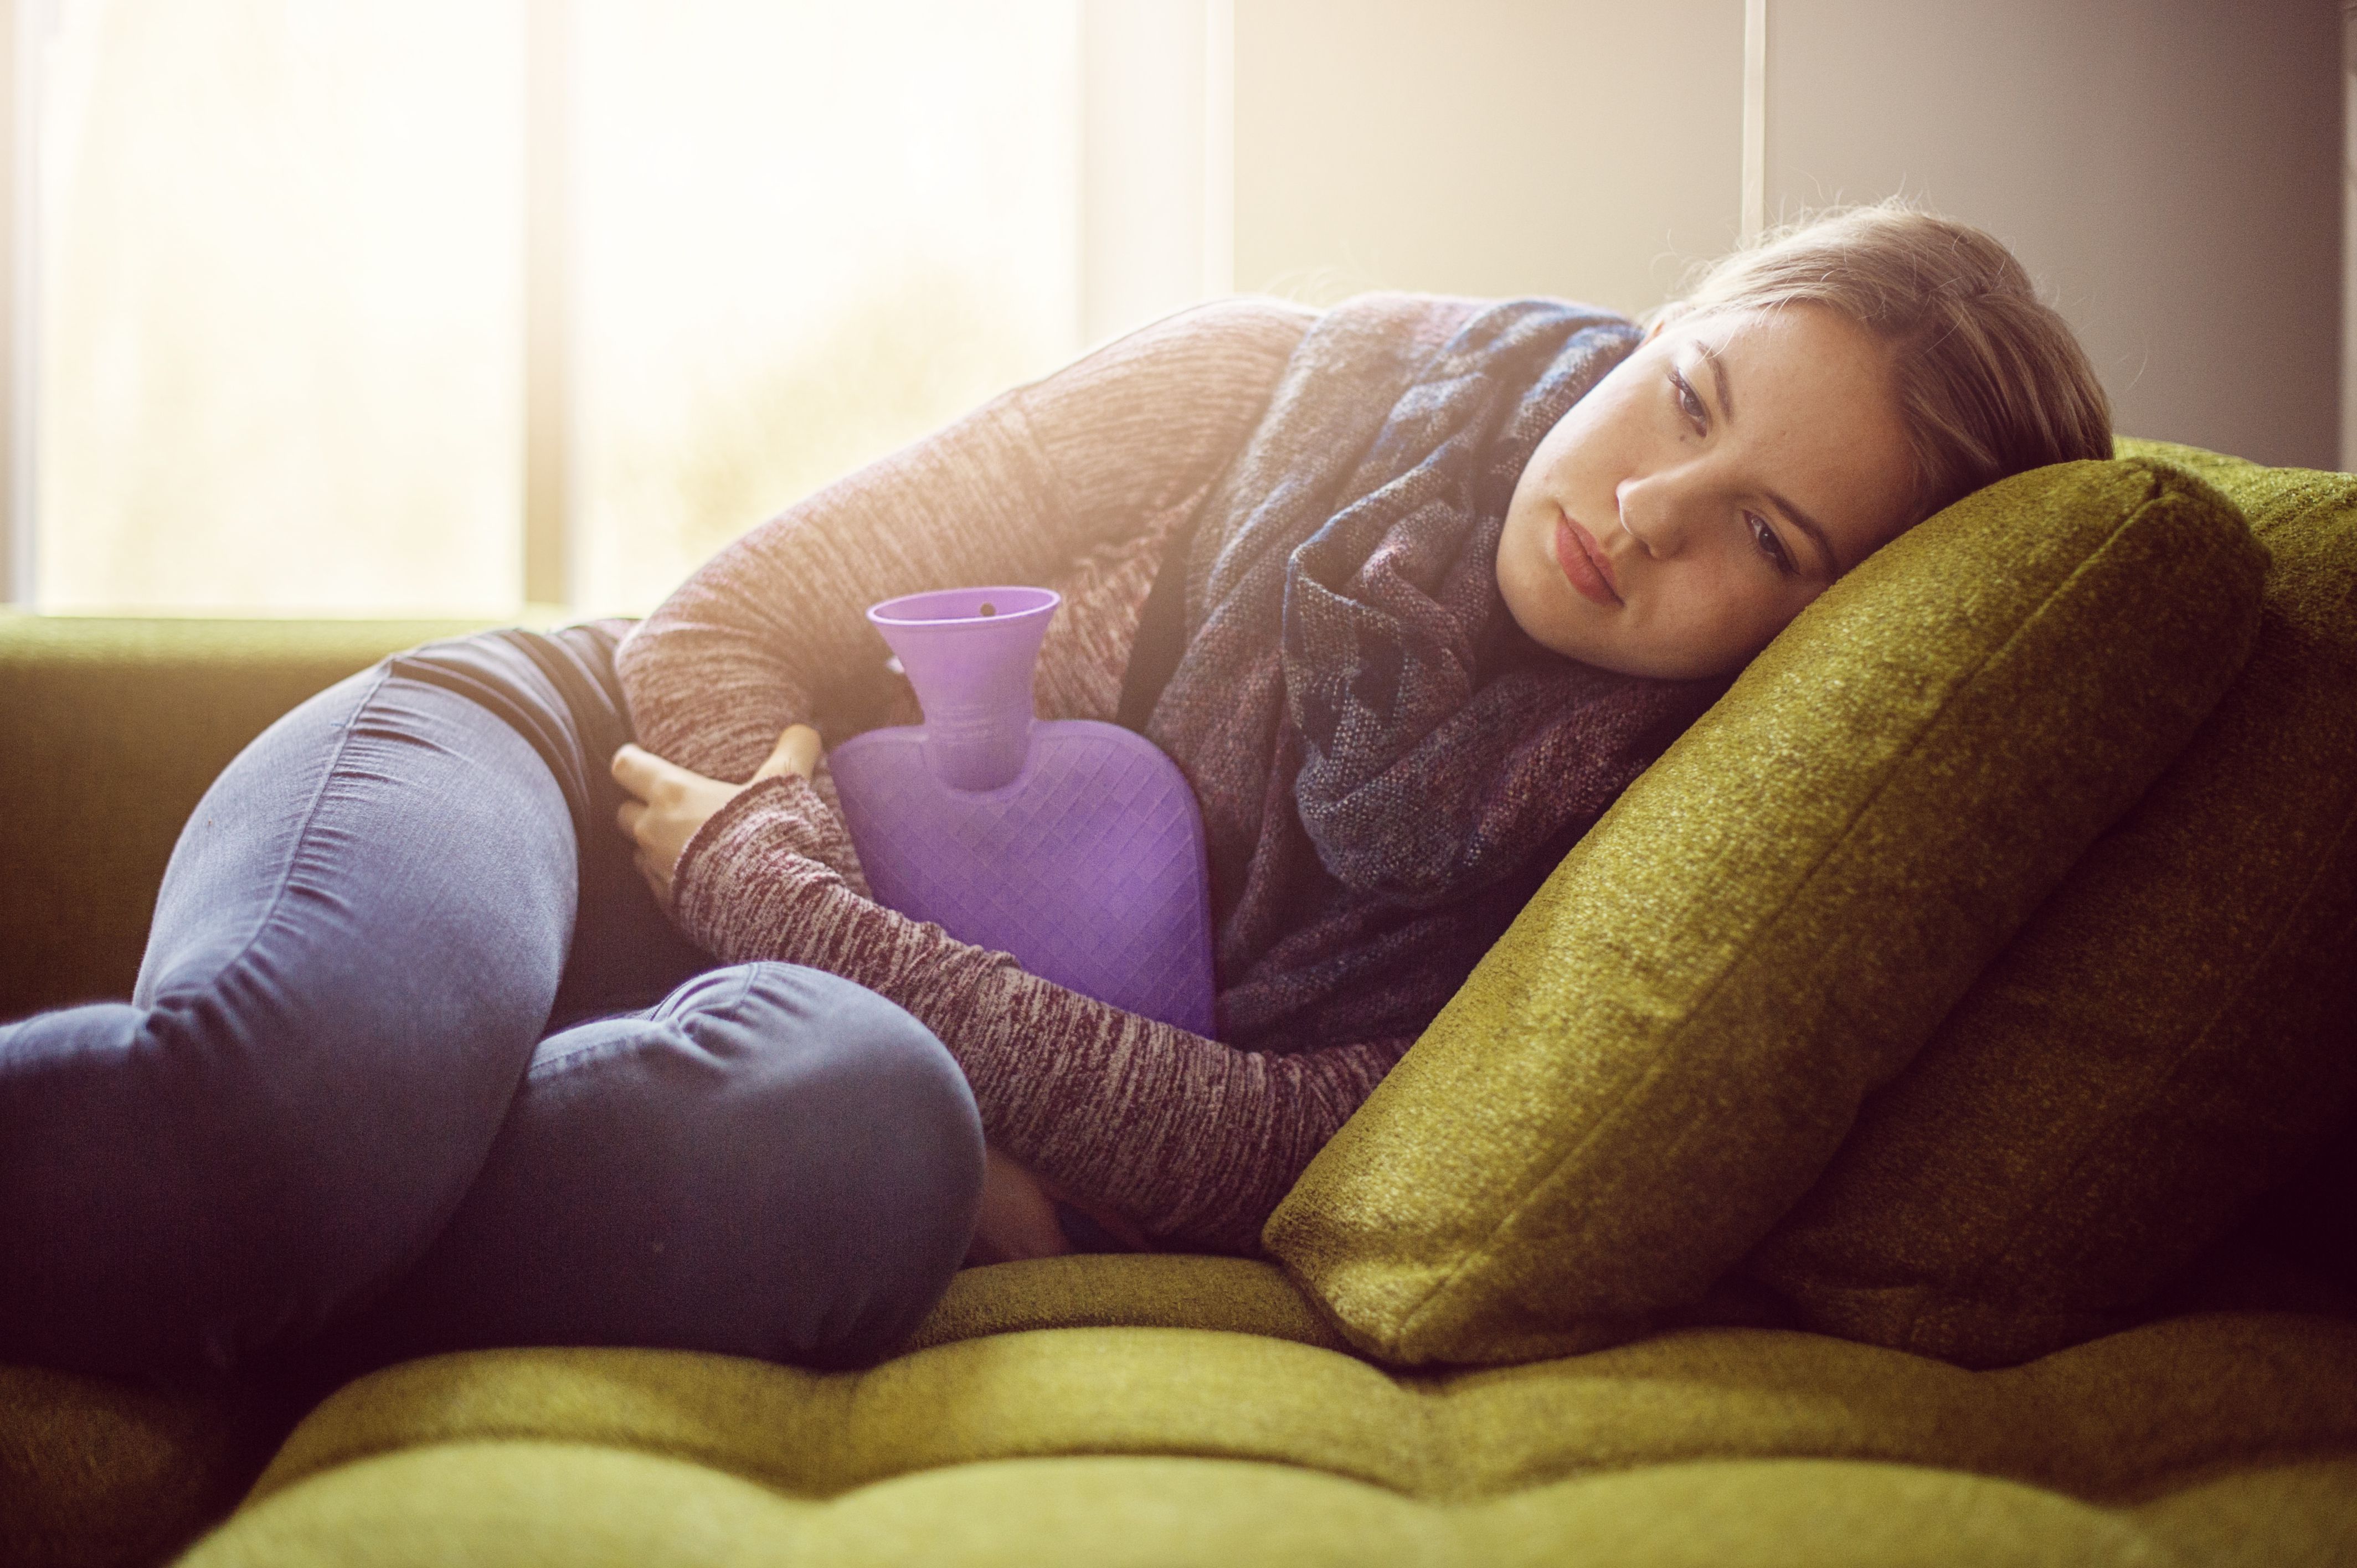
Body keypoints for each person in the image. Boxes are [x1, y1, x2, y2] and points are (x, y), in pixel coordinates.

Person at [0, 202, 2112, 1381]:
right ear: (1662, 318)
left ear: (1824, 639)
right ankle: (288, 1177)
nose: (1646, 508)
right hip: (553, 773)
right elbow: (725, 626)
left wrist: (802, 931)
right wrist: (764, 876)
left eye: (1771, 541)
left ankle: (273, 1240)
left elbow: (1265, 1141)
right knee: (283, 1105)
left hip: (782, 1043)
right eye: (1689, 394)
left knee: (864, 1147)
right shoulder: (1280, 382)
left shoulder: (1658, 854)